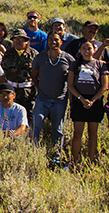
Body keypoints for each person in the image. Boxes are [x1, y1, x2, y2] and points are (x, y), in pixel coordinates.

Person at [30, 32, 75, 165]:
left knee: (58, 129)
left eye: (56, 40)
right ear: (47, 42)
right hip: (42, 99)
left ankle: (56, 157)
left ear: (61, 42)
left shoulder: (68, 58)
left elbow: (73, 76)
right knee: (36, 126)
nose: (53, 42)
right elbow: (34, 76)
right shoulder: (40, 58)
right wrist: (40, 90)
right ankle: (34, 154)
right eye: (50, 40)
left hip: (60, 100)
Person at [67, 39, 109, 166]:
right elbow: (70, 85)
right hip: (79, 100)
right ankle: (74, 161)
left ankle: (91, 161)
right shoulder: (75, 64)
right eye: (84, 48)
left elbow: (104, 86)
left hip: (95, 101)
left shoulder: (101, 65)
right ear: (80, 50)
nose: (87, 51)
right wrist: (81, 99)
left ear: (94, 50)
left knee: (93, 133)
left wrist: (92, 100)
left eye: (89, 48)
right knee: (77, 133)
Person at [1, 29, 38, 123]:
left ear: (26, 41)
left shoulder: (34, 55)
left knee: (28, 117)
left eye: (21, 39)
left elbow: (39, 74)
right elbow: (3, 70)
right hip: (11, 91)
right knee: (11, 117)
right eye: (15, 39)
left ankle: (28, 136)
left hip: (28, 92)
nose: (18, 42)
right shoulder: (8, 54)